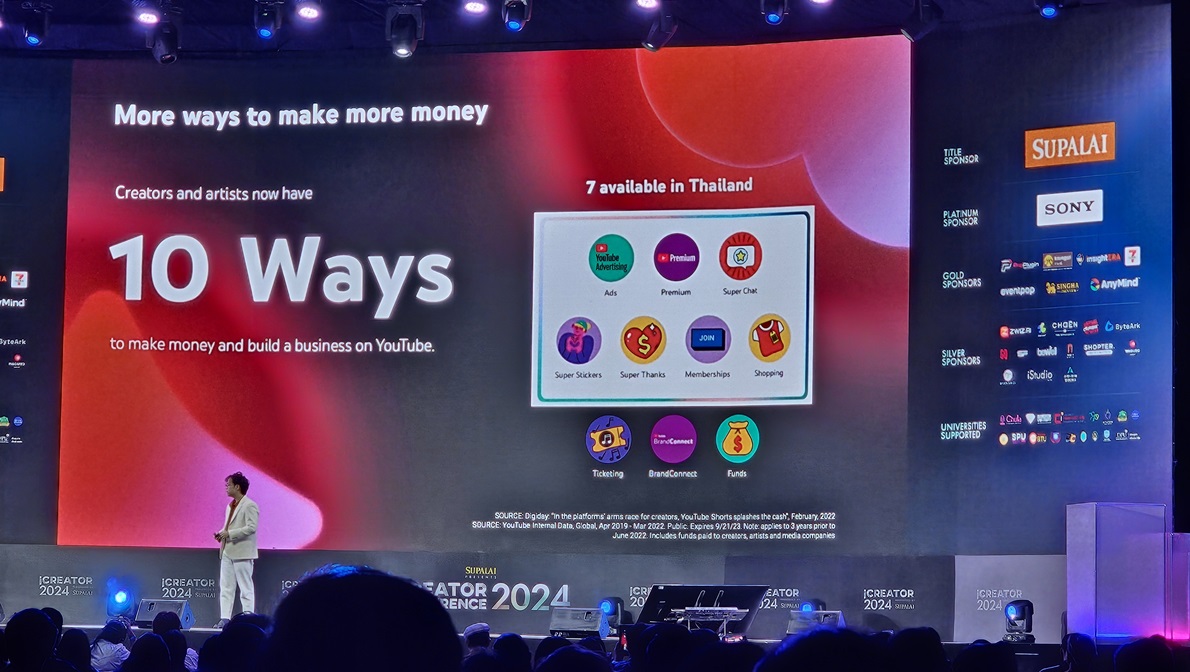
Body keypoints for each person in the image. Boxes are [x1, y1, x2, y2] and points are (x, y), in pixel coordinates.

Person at [213, 471, 259, 628]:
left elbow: (251, 527)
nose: (226, 488)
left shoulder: (250, 505)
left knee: (245, 588)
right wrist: (221, 534)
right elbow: (228, 526)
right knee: (226, 587)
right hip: (227, 550)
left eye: (228, 485)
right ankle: (225, 618)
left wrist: (230, 534)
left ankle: (248, 617)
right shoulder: (230, 506)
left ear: (237, 487)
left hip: (243, 552)